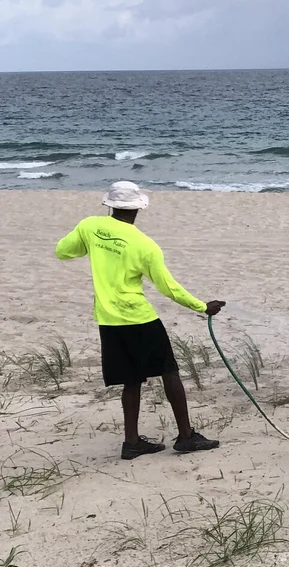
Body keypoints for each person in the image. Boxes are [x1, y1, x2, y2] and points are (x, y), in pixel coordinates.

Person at [55, 181, 225, 459]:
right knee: (169, 372)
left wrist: (95, 245)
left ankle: (132, 442)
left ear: (109, 204)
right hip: (140, 318)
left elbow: (63, 251)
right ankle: (186, 436)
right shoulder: (145, 246)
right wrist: (203, 306)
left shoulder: (89, 226)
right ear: (137, 207)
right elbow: (168, 287)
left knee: (131, 381)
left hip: (109, 320)